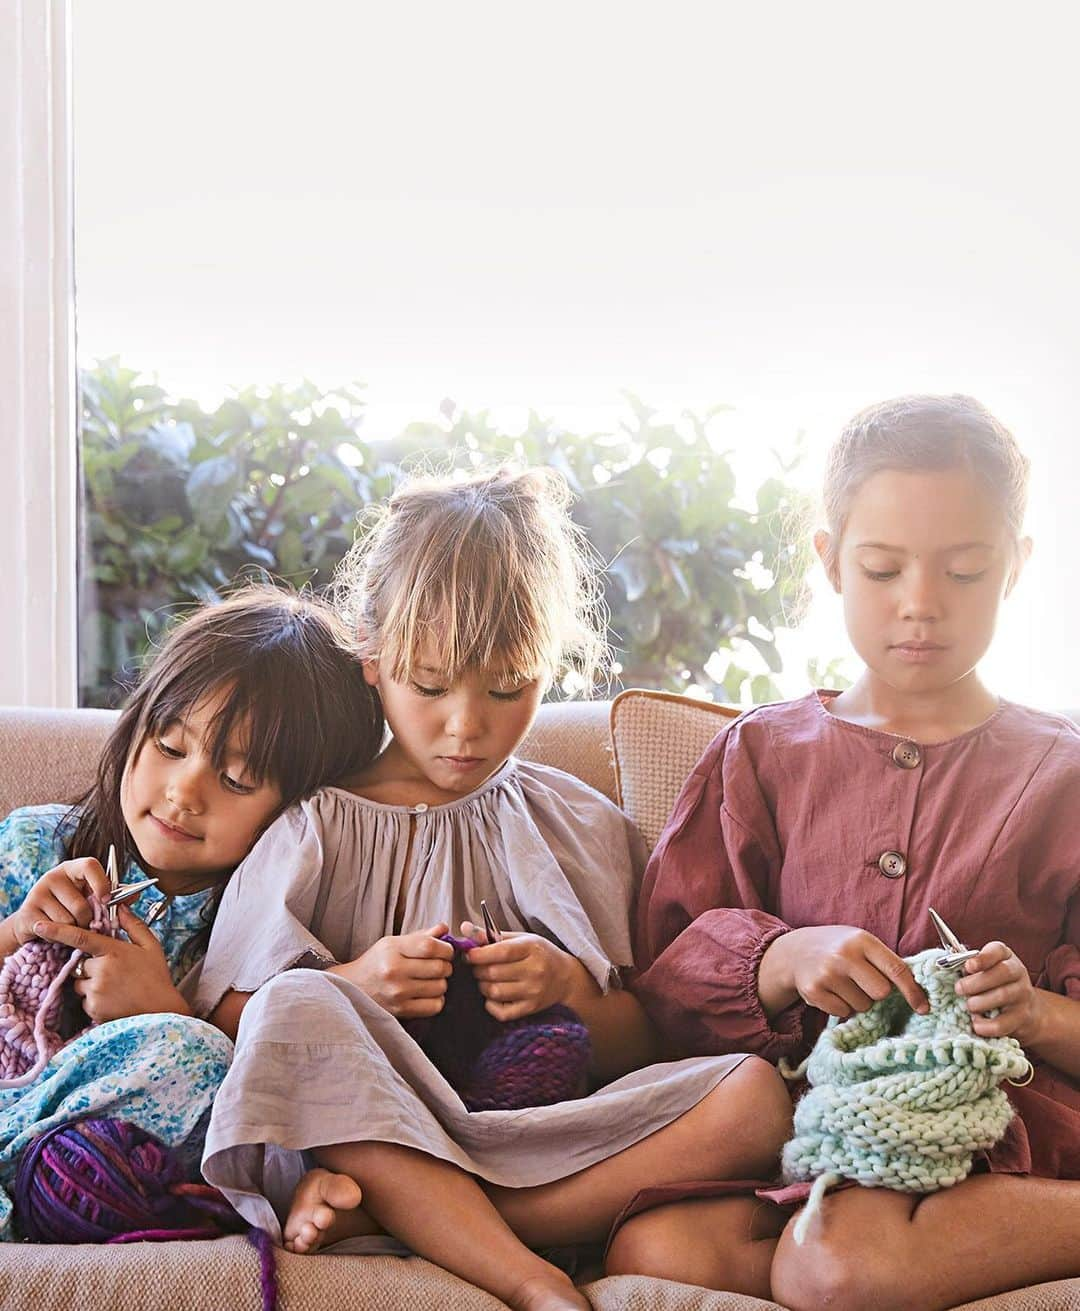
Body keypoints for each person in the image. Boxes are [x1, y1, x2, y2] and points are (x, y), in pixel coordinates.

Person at [190, 467, 792, 1311]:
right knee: (299, 1007)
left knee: (755, 1096)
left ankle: (470, 1219)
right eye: (429, 686)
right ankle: (527, 1272)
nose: (466, 725)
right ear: (371, 654)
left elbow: (649, 1036)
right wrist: (352, 985)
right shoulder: (314, 828)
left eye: (508, 686)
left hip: (544, 1136)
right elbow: (228, 1023)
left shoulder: (574, 825)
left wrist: (569, 990)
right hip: (379, 1131)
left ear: (550, 665)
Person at [633, 394, 1080, 1310]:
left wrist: (1031, 1012)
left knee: (831, 1265)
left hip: (989, 1125)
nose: (921, 604)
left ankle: (866, 1256)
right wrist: (782, 957)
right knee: (656, 1245)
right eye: (882, 568)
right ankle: (880, 1252)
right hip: (812, 1128)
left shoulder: (1063, 774)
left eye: (964, 571)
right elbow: (664, 985)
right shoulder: (763, 754)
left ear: (1016, 568)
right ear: (832, 560)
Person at [0, 586, 383, 1241]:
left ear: (300, 810)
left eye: (235, 779)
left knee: (199, 1052)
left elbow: (268, 1083)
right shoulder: (36, 843)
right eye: (171, 747)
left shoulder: (268, 923)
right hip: (17, 1089)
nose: (184, 791)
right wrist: (15, 932)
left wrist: (159, 1008)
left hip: (123, 1135)